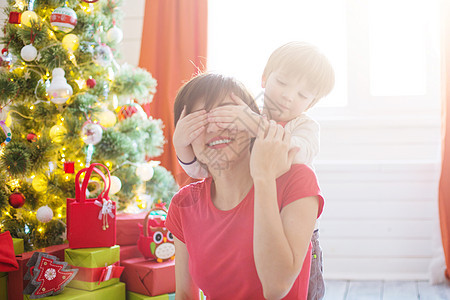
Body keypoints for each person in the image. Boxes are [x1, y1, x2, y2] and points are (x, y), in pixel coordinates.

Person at [173, 42, 335, 300]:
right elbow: (207, 168)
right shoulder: (249, 115)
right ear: (264, 78)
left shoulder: (303, 126)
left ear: (312, 103)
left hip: (298, 228)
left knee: (308, 289)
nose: (288, 96)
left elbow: (293, 152)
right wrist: (182, 144)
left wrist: (252, 123)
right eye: (282, 82)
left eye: (303, 95)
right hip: (253, 206)